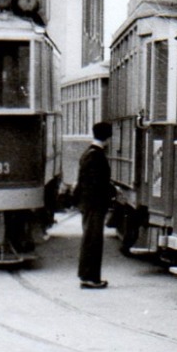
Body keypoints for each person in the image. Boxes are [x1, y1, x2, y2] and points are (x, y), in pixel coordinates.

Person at [75, 121, 114, 289]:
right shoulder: (95, 155)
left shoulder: (89, 153)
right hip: (94, 204)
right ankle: (91, 278)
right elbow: (96, 183)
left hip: (89, 203)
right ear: (107, 137)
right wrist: (111, 192)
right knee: (93, 240)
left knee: (90, 239)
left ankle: (86, 275)